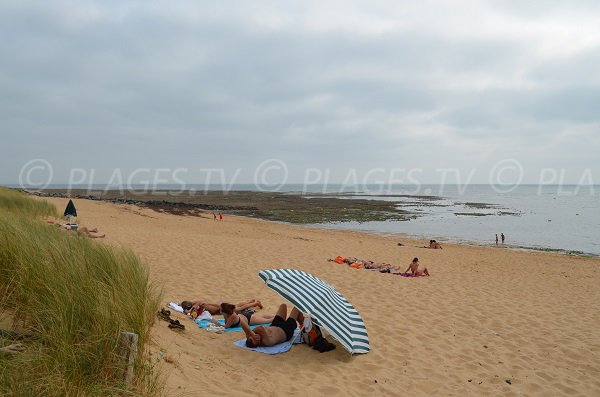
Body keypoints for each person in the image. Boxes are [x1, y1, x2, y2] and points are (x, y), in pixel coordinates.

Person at [181, 298, 263, 316]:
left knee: (238, 308)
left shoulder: (196, 305)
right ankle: (251, 301)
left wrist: (188, 310)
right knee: (236, 306)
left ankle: (255, 303)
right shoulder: (196, 303)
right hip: (218, 306)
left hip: (219, 306)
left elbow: (188, 312)